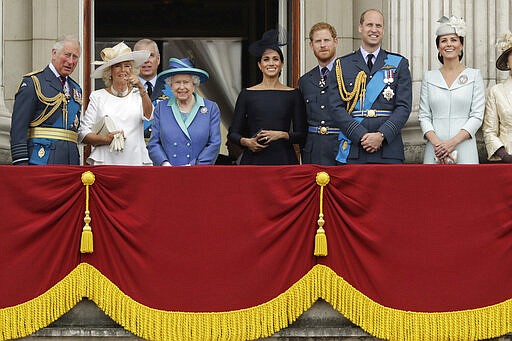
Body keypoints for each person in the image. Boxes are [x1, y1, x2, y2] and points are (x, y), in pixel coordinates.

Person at [327, 9, 412, 164]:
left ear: (383, 30)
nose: (374, 30)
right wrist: (360, 135)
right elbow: (335, 107)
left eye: (378, 26)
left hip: (388, 149)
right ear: (360, 28)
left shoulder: (398, 63)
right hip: (354, 149)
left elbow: (404, 107)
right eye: (369, 25)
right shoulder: (342, 65)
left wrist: (381, 135)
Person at [228, 29, 307, 165]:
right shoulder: (247, 94)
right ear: (260, 65)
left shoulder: (293, 94)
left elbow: (302, 134)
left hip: (284, 161)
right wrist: (247, 142)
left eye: (275, 59)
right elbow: (233, 133)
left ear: (282, 64)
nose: (271, 63)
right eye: (266, 59)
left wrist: (281, 134)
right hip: (253, 161)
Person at [418, 16, 484, 164]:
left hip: (464, 147)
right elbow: (424, 116)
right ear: (438, 47)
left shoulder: (474, 75)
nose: (449, 44)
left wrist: (452, 143)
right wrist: (439, 145)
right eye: (444, 40)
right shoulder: (429, 77)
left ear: (461, 45)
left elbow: (477, 116)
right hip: (435, 149)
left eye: (453, 40)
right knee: (433, 187)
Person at [10, 35, 82, 165]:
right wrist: (21, 164)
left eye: (75, 57)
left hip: (71, 163)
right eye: (67, 55)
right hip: (41, 160)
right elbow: (18, 129)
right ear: (54, 53)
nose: (71, 61)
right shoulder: (34, 83)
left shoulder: (76, 89)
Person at [78, 42, 153, 165]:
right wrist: (106, 139)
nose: (123, 70)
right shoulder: (98, 96)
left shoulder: (139, 94)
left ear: (132, 69)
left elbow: (149, 115)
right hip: (106, 162)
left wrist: (141, 88)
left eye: (127, 66)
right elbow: (83, 134)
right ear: (110, 71)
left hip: (135, 161)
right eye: (117, 66)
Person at [147, 58, 221, 166]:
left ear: (194, 84)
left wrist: (195, 165)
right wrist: (164, 164)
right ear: (171, 85)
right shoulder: (161, 108)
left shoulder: (210, 108)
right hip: (168, 172)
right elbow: (153, 143)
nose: (182, 87)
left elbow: (214, 143)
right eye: (177, 82)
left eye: (186, 82)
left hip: (198, 172)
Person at [299, 22, 339, 165]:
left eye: (326, 40)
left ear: (335, 41)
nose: (322, 45)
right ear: (311, 45)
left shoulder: (348, 74)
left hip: (342, 149)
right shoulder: (304, 81)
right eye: (318, 41)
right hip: (314, 151)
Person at [482, 31, 512, 162]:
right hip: (507, 160)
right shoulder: (496, 91)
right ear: (507, 62)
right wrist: (505, 155)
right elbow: (489, 131)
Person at [133, 39, 163, 140]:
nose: (146, 60)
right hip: (134, 149)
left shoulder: (172, 89)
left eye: (151, 55)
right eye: (142, 56)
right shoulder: (125, 90)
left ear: (158, 59)